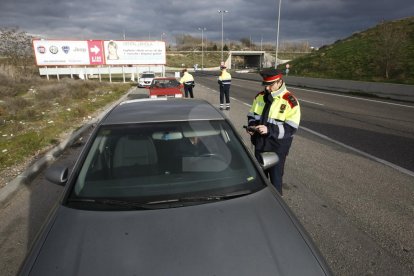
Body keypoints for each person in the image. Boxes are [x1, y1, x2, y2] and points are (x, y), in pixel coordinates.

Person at [246, 68, 301, 195]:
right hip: (260, 145)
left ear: (279, 82)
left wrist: (269, 130)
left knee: (276, 182)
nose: (267, 88)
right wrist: (252, 126)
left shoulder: (290, 101)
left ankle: (277, 208)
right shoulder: (259, 97)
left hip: (277, 148)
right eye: (265, 85)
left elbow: (291, 129)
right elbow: (252, 115)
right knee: (260, 180)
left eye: (270, 85)